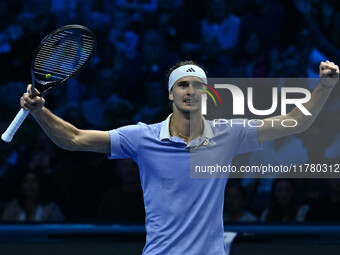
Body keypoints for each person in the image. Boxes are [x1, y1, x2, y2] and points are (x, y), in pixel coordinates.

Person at [19, 60, 338, 254]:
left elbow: (296, 121)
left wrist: (324, 87)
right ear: (171, 93)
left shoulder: (229, 133)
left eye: (197, 85)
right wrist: (40, 112)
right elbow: (74, 139)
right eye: (182, 85)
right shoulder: (142, 137)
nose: (190, 90)